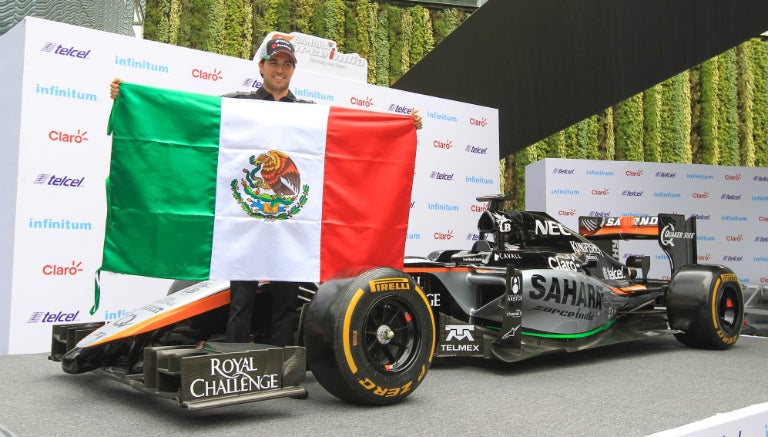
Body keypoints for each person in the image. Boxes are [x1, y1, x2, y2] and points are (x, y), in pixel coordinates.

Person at [110, 36, 422, 347]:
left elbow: (356, 137)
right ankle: (233, 361)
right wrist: (129, 97)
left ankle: (284, 365)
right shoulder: (236, 104)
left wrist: (405, 125)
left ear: (293, 70)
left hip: (291, 230)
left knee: (285, 303)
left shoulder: (308, 113)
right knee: (241, 301)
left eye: (287, 64)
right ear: (261, 66)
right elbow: (187, 117)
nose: (280, 69)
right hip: (245, 228)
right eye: (274, 62)